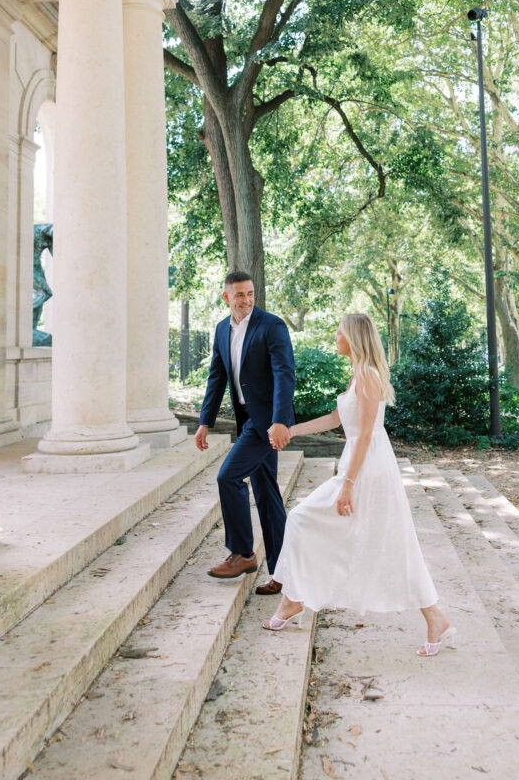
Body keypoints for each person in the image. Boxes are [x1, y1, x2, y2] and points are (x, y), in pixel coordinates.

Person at [263, 313, 455, 657]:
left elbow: (365, 435)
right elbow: (337, 419)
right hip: (362, 463)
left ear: (352, 337)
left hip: (368, 469)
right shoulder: (358, 375)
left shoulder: (367, 376)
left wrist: (348, 484)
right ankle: (434, 617)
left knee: (307, 518)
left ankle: (293, 599)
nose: (335, 336)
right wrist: (291, 430)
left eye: (339, 331)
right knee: (384, 541)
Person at [194, 271, 295, 593]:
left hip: (266, 422)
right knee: (267, 495)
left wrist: (280, 420)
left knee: (228, 477)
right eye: (239, 295)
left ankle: (242, 553)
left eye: (250, 293)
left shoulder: (272, 325)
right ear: (227, 297)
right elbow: (217, 377)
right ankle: (282, 573)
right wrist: (204, 421)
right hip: (246, 419)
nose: (247, 300)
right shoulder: (222, 329)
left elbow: (284, 374)